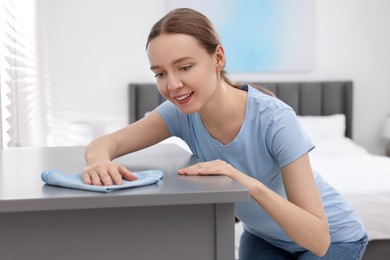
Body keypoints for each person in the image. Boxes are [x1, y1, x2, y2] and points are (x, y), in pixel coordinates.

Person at [82, 8, 368, 259]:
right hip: (265, 238)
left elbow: (319, 240)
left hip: (335, 239)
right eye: (160, 73)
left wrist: (246, 185)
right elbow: (106, 143)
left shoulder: (275, 119)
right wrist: (98, 162)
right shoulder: (180, 113)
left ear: (217, 57)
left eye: (184, 67)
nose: (172, 85)